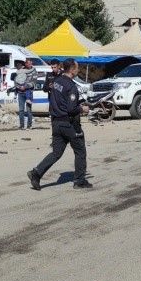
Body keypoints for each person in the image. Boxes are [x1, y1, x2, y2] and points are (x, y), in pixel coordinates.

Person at [27, 59, 90, 191]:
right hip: (68, 124)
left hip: (56, 122)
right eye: (77, 68)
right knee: (80, 150)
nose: (78, 70)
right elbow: (71, 108)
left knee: (56, 153)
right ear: (72, 70)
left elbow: (61, 100)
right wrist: (82, 109)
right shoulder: (71, 86)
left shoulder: (56, 81)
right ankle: (79, 181)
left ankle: (36, 173)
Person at [13, 59, 35, 130]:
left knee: (28, 110)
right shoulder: (20, 71)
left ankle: (29, 125)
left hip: (29, 92)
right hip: (20, 93)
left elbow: (34, 82)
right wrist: (19, 87)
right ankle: (21, 125)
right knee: (21, 110)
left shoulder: (34, 71)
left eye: (30, 63)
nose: (28, 64)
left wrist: (25, 87)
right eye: (27, 63)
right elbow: (15, 81)